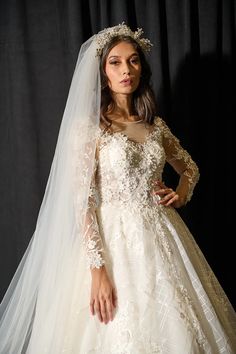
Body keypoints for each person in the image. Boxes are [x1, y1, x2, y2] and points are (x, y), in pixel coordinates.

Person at [0, 23, 235, 354]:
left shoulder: (155, 127)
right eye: (115, 62)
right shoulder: (89, 128)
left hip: (161, 236)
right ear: (103, 72)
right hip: (111, 244)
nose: (126, 69)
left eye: (134, 60)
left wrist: (181, 193)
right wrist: (98, 272)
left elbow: (190, 168)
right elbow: (82, 201)